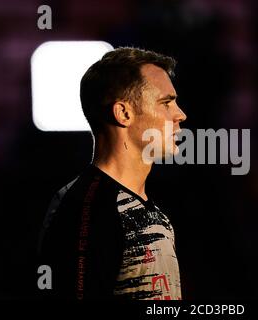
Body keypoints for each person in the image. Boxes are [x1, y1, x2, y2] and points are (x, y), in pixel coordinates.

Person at [37, 47, 187, 300]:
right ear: (124, 113)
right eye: (166, 102)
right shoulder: (87, 207)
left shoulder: (146, 210)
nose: (180, 114)